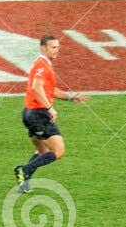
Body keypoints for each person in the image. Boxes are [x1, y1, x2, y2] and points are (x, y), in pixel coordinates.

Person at [13, 34, 88, 192]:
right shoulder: (42, 65)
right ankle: (24, 170)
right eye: (53, 47)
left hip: (28, 114)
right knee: (58, 151)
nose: (56, 50)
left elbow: (49, 90)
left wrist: (70, 97)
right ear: (43, 48)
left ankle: (24, 183)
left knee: (43, 151)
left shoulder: (43, 64)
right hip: (38, 114)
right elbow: (37, 87)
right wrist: (50, 108)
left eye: (58, 47)